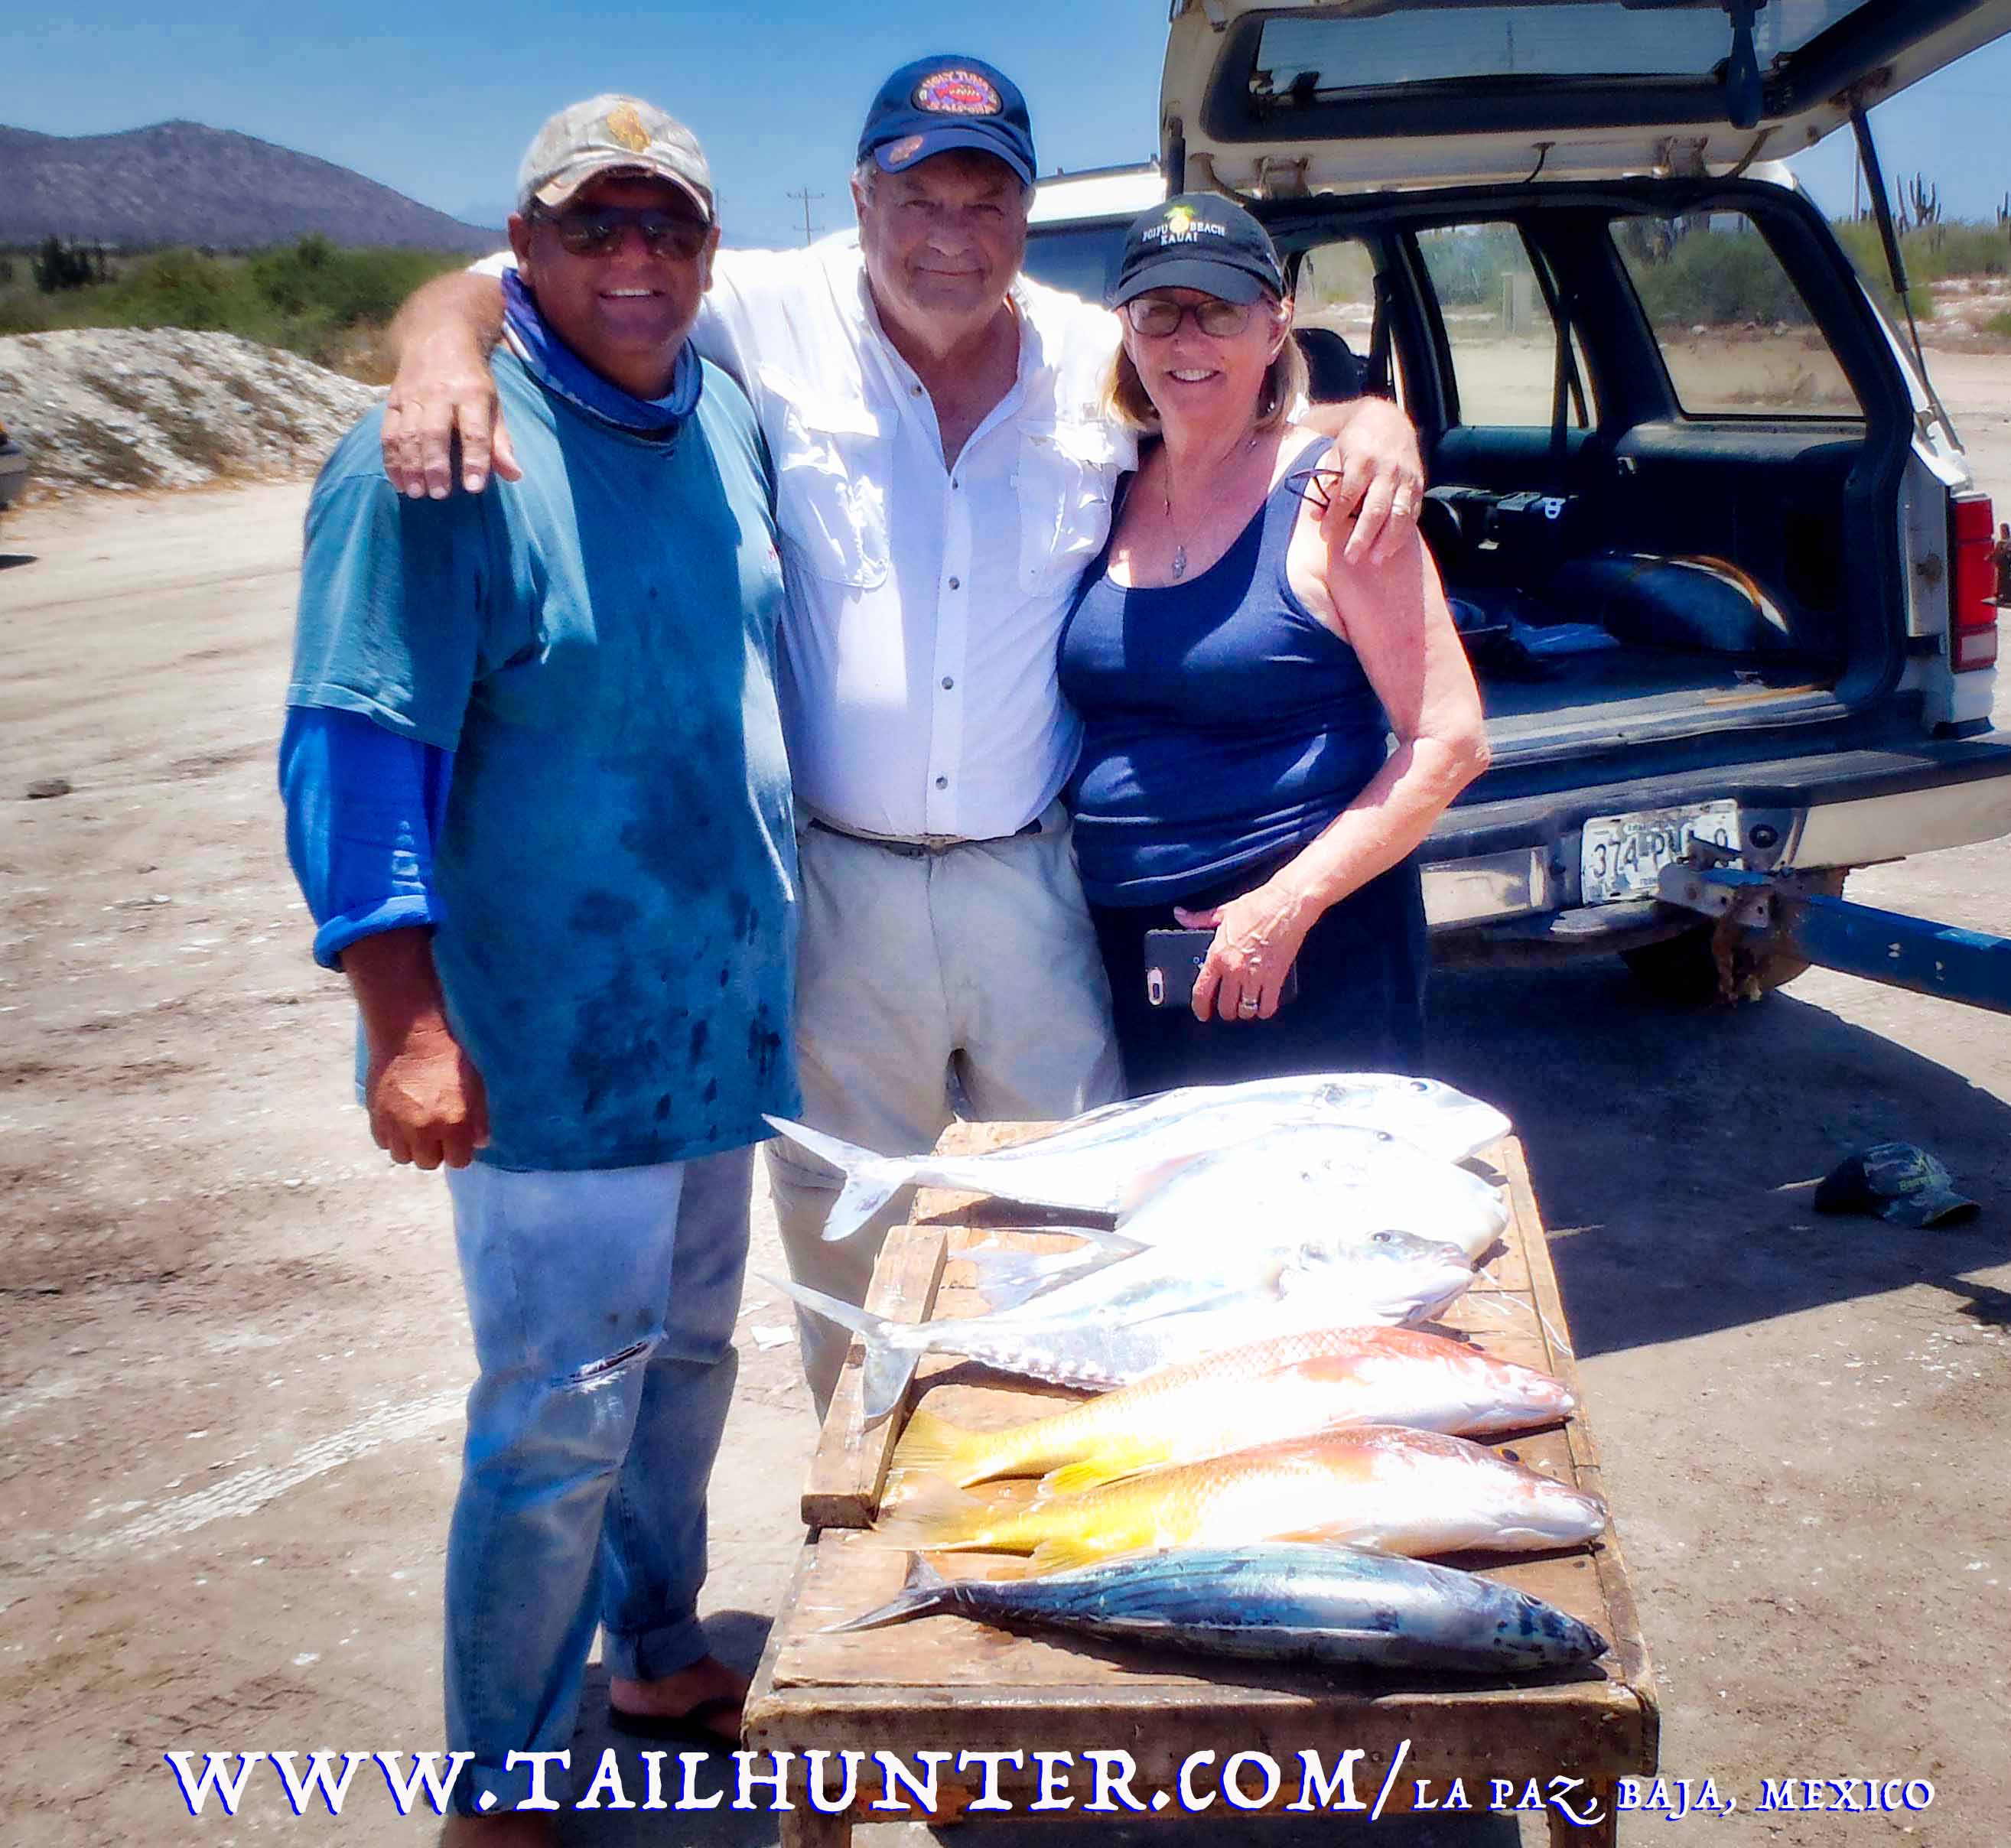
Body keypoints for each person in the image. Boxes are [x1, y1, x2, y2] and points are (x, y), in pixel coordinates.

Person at [375, 57, 1427, 1414]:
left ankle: (1058, 1472)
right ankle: (863, 1489)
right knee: (849, 1230)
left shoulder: (1088, 352)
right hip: (841, 888)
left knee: (1078, 1210)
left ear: (1024, 214)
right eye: (917, 196)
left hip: (1030, 879)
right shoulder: (762, 312)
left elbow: (1233, 396)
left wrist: (1370, 416)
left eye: (986, 202)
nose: (950, 235)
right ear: (861, 198)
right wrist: (437, 348)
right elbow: (497, 281)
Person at [279, 97, 795, 1837]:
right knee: (559, 1412)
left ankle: (655, 1649)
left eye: (668, 225)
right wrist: (405, 1026)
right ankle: (498, 1773)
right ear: (525, 244)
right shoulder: (435, 452)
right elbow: (355, 744)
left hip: (711, 1028)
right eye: (594, 225)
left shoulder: (721, 408)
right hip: (544, 1045)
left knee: (687, 1364)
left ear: (708, 248)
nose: (635, 257)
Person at [1058, 195, 1490, 1095]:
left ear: (1274, 322)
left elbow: (1449, 740)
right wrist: (1369, 410)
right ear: (1125, 328)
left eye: (1218, 310)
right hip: (1127, 950)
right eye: (1159, 310)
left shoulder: (1338, 498)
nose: (1187, 339)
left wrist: (1288, 903)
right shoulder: (1108, 479)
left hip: (1307, 951)